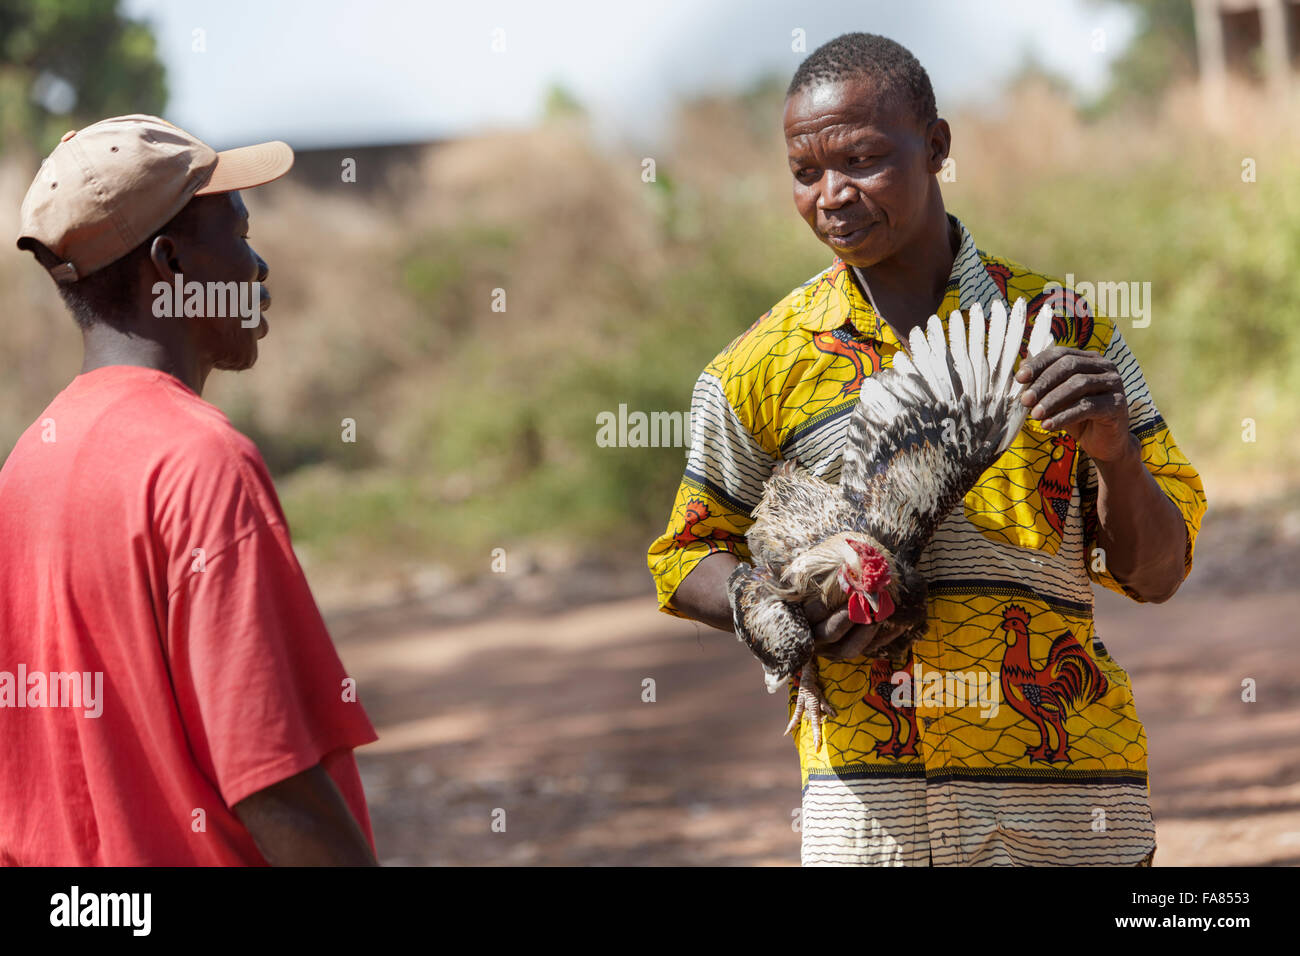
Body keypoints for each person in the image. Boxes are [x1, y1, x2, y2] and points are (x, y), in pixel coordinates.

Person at [647, 34, 1205, 866]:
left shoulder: (1064, 334)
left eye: (865, 159)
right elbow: (684, 554)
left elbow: (1158, 574)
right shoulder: (755, 369)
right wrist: (762, 609)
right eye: (806, 173)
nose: (832, 195)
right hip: (874, 820)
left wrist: (1117, 453)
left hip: (1067, 798)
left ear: (937, 145)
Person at [0, 115, 378, 865]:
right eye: (237, 235)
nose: (259, 266)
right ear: (169, 263)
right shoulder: (201, 463)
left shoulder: (25, 468)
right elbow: (274, 781)